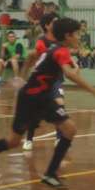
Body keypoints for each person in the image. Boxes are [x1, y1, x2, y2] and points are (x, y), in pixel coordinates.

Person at [0, 18, 95, 189]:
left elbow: (32, 56)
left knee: (69, 129)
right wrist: (94, 90)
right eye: (77, 34)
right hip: (30, 99)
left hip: (44, 98)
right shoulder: (60, 51)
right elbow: (69, 74)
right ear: (67, 36)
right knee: (13, 141)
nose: (79, 37)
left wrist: (21, 77)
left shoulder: (55, 48)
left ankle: (50, 173)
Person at [20, 12, 61, 151]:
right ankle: (29, 139)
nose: (57, 23)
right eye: (55, 22)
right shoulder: (42, 41)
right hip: (42, 80)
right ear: (47, 25)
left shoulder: (60, 39)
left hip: (56, 79)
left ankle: (59, 138)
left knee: (59, 106)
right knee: (34, 110)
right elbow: (36, 59)